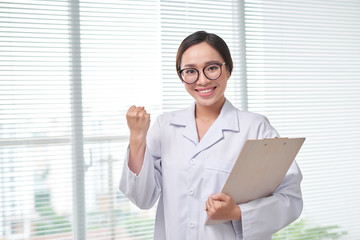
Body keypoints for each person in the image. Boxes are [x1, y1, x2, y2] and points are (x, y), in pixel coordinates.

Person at [120, 31, 303, 240]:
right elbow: (142, 198)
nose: (203, 80)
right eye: (191, 71)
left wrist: (237, 213)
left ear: (228, 69)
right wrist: (136, 137)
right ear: (181, 76)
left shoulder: (256, 128)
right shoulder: (165, 126)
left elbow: (291, 198)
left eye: (212, 68)